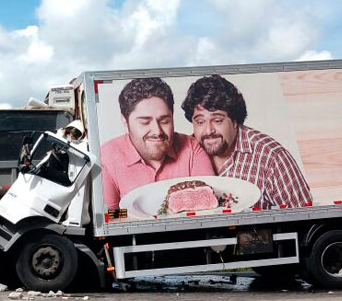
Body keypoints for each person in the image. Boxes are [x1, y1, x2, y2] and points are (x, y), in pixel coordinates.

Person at [182, 75, 312, 209]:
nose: (208, 131)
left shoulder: (272, 157)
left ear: (234, 121)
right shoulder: (184, 153)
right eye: (200, 122)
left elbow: (305, 216)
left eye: (217, 120)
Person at [101, 77, 214, 210]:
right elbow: (108, 216)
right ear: (126, 123)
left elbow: (211, 208)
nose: (157, 131)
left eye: (164, 121)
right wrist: (132, 215)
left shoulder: (192, 148)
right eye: (145, 122)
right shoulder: (106, 157)